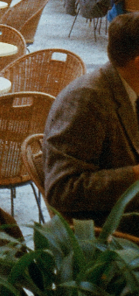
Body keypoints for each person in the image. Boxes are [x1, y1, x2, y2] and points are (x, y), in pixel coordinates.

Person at [44, 13, 139, 235]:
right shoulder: (86, 100)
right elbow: (63, 191)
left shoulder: (128, 85)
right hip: (112, 230)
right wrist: (135, 175)